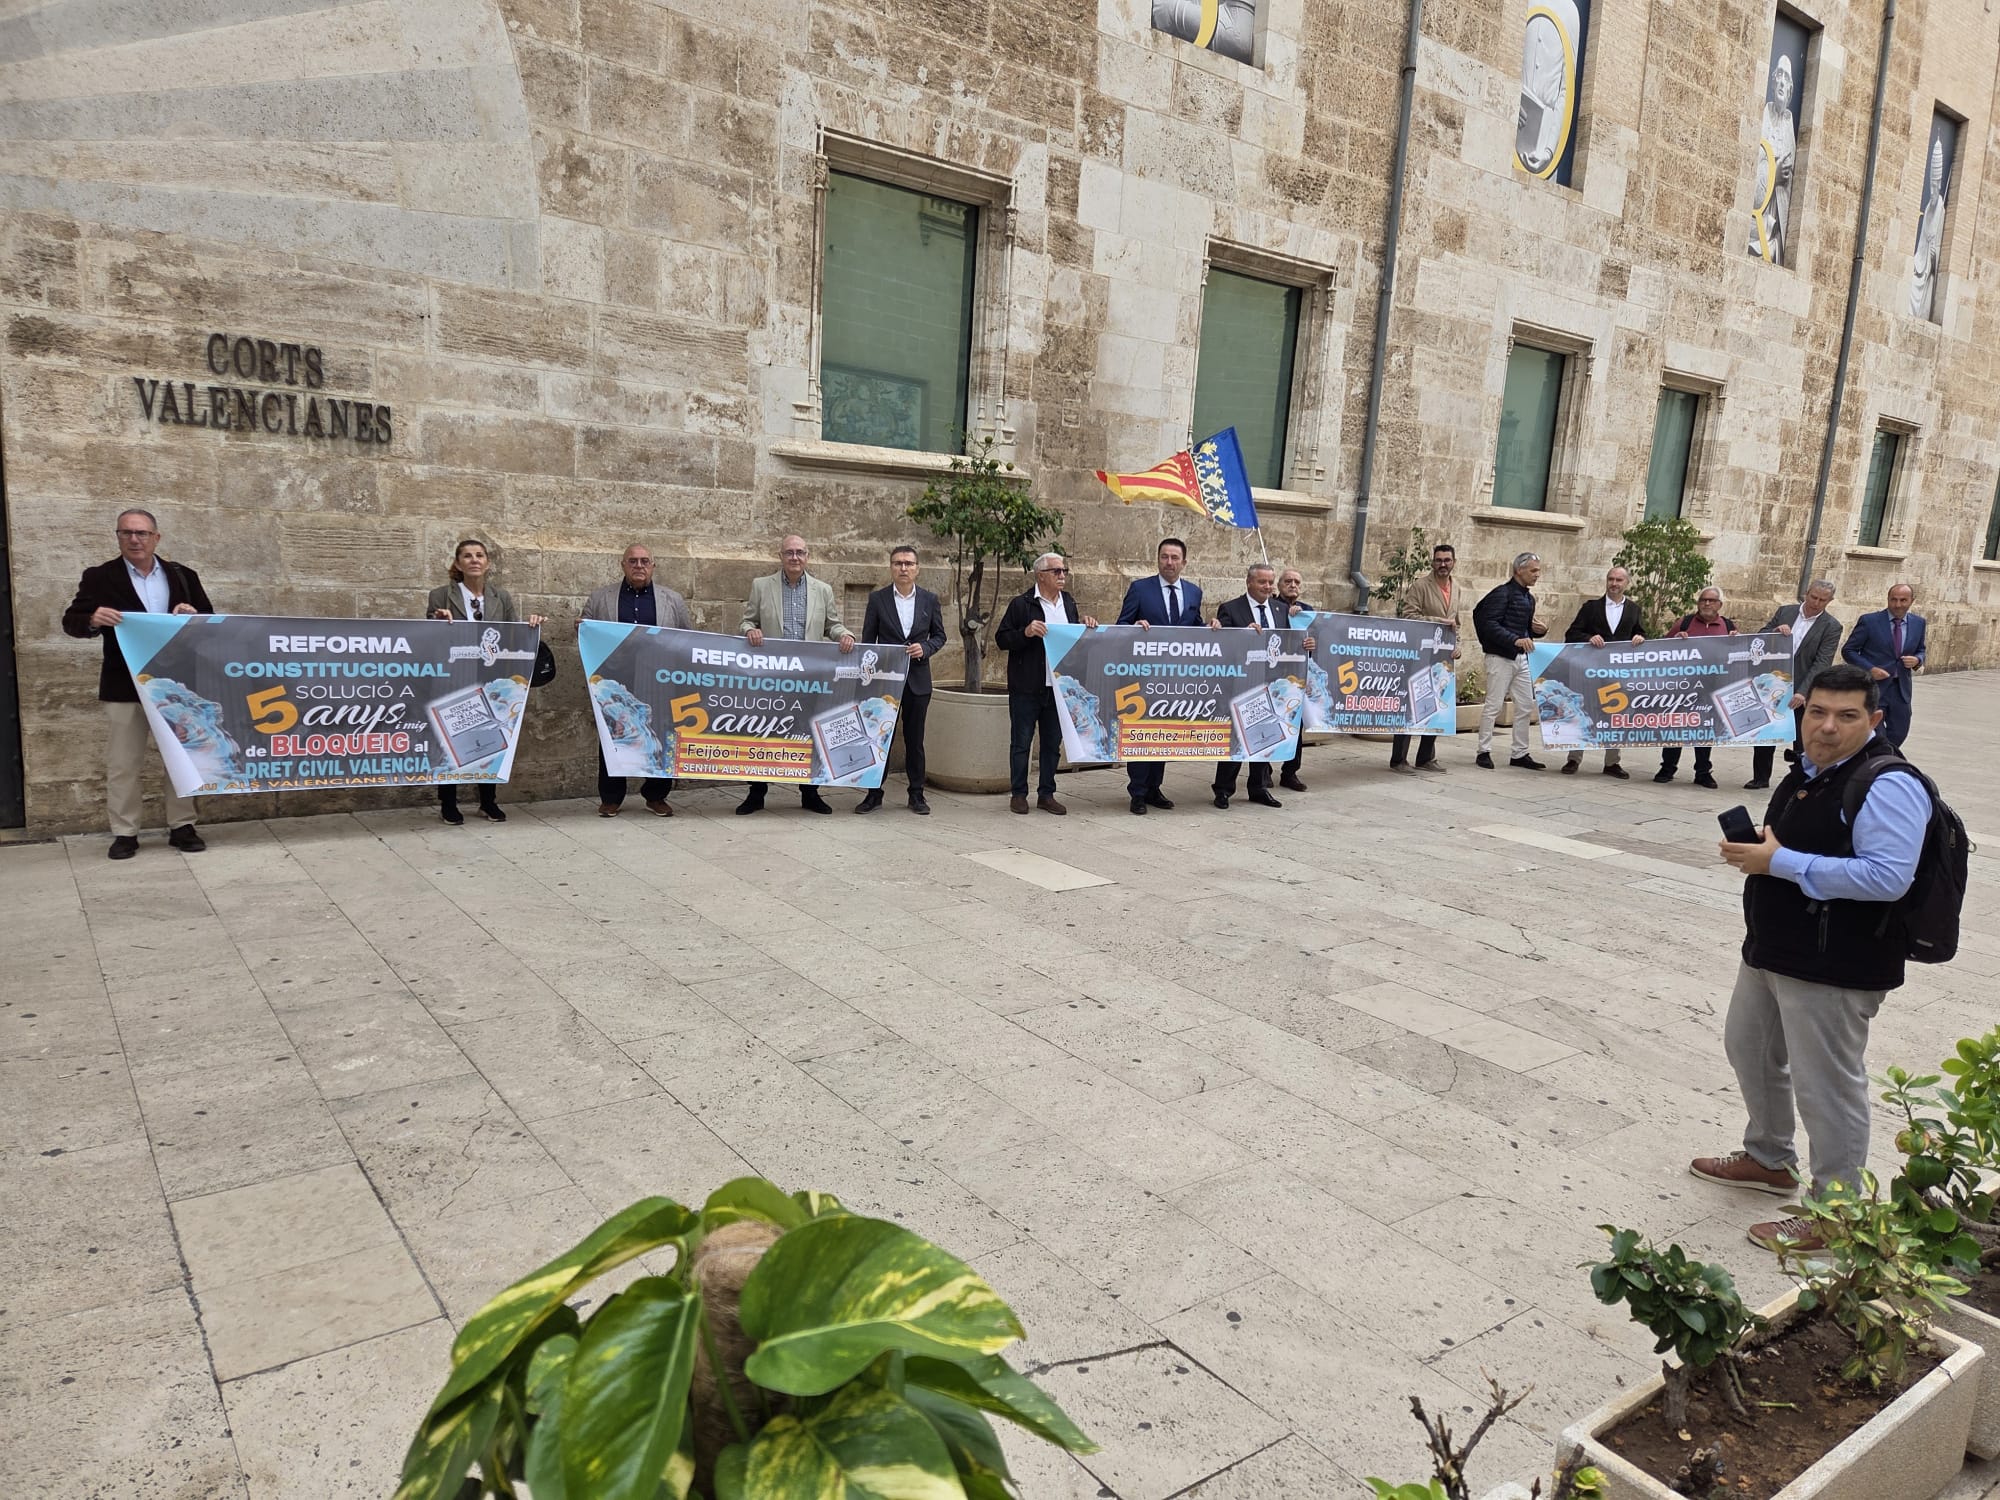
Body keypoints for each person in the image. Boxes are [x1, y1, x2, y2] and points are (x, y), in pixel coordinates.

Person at [1694, 665, 1931, 1252]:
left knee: (1826, 1085)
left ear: (1874, 720)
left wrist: (1779, 864)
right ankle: (1769, 1157)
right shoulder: (1812, 772)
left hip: (1836, 963)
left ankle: (1837, 1213)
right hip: (1777, 950)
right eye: (1817, 713)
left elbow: (1889, 877)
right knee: (1748, 1047)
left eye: (1846, 716)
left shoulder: (1887, 783)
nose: (1827, 727)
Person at [61, 508, 215, 859]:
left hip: (176, 685)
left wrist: (193, 616)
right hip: (123, 685)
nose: (135, 539)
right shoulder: (100, 577)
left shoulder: (184, 576)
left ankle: (182, 825)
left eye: (142, 533)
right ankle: (125, 832)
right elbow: (71, 621)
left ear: (156, 537)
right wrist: (93, 619)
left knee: (181, 757)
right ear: (117, 537)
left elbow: (209, 621)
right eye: (127, 533)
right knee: (123, 763)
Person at [427, 538, 546, 825]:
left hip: (491, 677)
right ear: (458, 564)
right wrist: (436, 618)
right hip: (455, 677)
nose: (474, 560)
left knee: (491, 736)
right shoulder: (441, 595)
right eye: (467, 556)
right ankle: (448, 802)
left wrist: (530, 625)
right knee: (451, 737)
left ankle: (487, 800)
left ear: (487, 563)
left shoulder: (500, 597)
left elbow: (511, 633)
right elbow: (428, 630)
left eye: (479, 555)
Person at [737, 534, 855, 816]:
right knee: (764, 732)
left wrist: (845, 635)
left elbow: (832, 625)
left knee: (807, 732)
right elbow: (747, 620)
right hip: (771, 675)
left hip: (808, 676)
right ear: (780, 556)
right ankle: (757, 792)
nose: (795, 557)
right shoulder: (762, 586)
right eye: (789, 552)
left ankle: (809, 792)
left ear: (807, 556)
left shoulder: (822, 590)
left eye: (800, 552)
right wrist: (749, 630)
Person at [581, 544, 691, 817]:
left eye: (644, 561)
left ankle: (656, 795)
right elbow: (587, 630)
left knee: (662, 732)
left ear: (653, 565)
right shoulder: (600, 598)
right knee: (611, 733)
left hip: (658, 677)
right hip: (614, 678)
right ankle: (611, 797)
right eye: (632, 561)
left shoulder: (672, 600)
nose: (638, 565)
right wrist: (581, 627)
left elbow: (687, 638)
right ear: (623, 565)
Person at [996, 553, 1095, 815]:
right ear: (1041, 575)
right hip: (1027, 685)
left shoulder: (1068, 603)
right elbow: (1002, 639)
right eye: (1057, 571)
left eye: (1064, 571)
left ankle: (1046, 794)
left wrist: (1085, 625)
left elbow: (1073, 639)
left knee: (1052, 743)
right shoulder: (1021, 604)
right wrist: (1026, 633)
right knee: (1021, 742)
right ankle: (1018, 794)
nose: (1062, 575)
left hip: (1059, 687)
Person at [1115, 537, 1203, 814]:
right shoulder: (1140, 589)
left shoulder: (1193, 593)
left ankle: (1155, 788)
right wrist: (1135, 626)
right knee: (1143, 732)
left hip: (1176, 679)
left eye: (1175, 558)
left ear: (1184, 562)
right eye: (1164, 557)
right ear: (1158, 559)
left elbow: (1194, 627)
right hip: (1144, 676)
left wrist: (1213, 627)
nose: (1169, 562)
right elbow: (1121, 625)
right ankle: (1137, 792)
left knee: (1164, 734)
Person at [859, 545, 948, 815]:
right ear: (891, 568)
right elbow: (867, 641)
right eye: (898, 563)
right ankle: (874, 794)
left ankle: (916, 794)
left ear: (917, 569)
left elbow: (939, 636)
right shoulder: (878, 599)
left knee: (914, 739)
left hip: (918, 681)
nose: (903, 568)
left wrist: (926, 648)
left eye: (908, 563)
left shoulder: (929, 600)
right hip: (885, 681)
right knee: (879, 738)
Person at [1746, 580, 1839, 790]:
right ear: (1806, 594)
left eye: (1822, 600)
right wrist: (1775, 631)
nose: (1816, 603)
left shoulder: (1832, 626)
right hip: (1774, 682)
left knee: (1803, 737)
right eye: (1813, 597)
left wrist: (1803, 692)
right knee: (1766, 732)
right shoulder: (1785, 612)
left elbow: (1822, 662)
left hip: (1803, 688)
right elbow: (1760, 637)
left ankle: (1802, 780)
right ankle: (1760, 778)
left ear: (1829, 601)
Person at [1210, 564, 1289, 811]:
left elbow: (1288, 642)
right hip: (1240, 685)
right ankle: (1223, 790)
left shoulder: (1281, 609)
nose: (1267, 587)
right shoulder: (1231, 608)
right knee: (1236, 739)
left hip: (1271, 684)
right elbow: (1221, 645)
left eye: (1270, 582)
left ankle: (1259, 787)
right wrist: (1241, 635)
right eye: (1262, 582)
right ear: (1249, 583)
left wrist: (1305, 644)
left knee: (1266, 737)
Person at [1559, 565, 1646, 778]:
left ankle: (1612, 761)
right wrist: (1588, 637)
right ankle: (1574, 758)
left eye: (1619, 580)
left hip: (1618, 672)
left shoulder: (1634, 609)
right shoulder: (1591, 607)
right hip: (1591, 670)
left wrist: (1640, 638)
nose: (1614, 584)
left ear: (1626, 583)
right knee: (1584, 710)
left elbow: (1640, 633)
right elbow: (1571, 633)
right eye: (1611, 579)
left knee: (1616, 714)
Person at [1471, 552, 1547, 770]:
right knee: (1493, 705)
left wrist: (1538, 631)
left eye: (1538, 570)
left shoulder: (1528, 598)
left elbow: (1523, 628)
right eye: (1533, 570)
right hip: (1500, 657)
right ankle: (1483, 750)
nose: (1537, 575)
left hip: (1521, 658)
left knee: (1525, 706)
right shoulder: (1501, 594)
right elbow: (1488, 624)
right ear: (1518, 570)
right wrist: (1515, 639)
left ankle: (1520, 753)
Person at [1391, 543, 1462, 775]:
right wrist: (1437, 621)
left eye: (1447, 560)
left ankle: (1425, 757)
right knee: (1411, 704)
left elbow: (1456, 621)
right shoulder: (1421, 585)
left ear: (1453, 562)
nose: (1443, 564)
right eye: (1439, 560)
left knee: (1436, 705)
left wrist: (1457, 645)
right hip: (1419, 655)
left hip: (1443, 658)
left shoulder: (1457, 587)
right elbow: (1409, 615)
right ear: (1432, 562)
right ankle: (1398, 759)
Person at [1654, 587, 1735, 789]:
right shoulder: (1685, 623)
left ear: (1720, 605)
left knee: (1706, 729)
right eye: (1703, 600)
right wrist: (1675, 640)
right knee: (1675, 725)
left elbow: (1736, 655)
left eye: (1711, 600)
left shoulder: (1727, 626)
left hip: (1711, 687)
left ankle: (1703, 772)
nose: (1707, 604)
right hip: (1682, 686)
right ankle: (1668, 767)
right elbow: (1663, 647)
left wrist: (1737, 641)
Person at [1842, 583, 1925, 748]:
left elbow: (1921, 649)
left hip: (1900, 689)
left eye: (1903, 600)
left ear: (1912, 601)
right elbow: (1849, 650)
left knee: (1899, 732)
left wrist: (1917, 660)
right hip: (1873, 688)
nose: (1898, 604)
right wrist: (1870, 669)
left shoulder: (1919, 623)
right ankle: (1877, 763)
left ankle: (1883, 758)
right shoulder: (1870, 621)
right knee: (1876, 734)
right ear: (1888, 599)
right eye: (1893, 600)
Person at [1747, 52, 1796, 264]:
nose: (1783, 83)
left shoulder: (1789, 124)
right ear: (1773, 79)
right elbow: (1754, 165)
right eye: (1780, 76)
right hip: (1757, 214)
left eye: (1787, 78)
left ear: (1791, 90)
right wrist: (1772, 177)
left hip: (1775, 218)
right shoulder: (1765, 115)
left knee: (1772, 249)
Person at [1276, 568, 1313, 792]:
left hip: (1297, 677)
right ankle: (1264, 772)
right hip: (1273, 674)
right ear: (1279, 585)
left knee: (1295, 726)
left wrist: (1312, 643)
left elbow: (1317, 637)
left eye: (1297, 582)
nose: (1292, 585)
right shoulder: (1271, 608)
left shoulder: (1307, 611)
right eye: (1288, 581)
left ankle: (1290, 772)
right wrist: (1286, 612)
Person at [1911, 138, 1948, 321]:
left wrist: (1934, 255)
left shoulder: (1941, 208)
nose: (1933, 190)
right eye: (1931, 186)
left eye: (1936, 186)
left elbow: (1939, 247)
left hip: (1929, 269)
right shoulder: (1929, 208)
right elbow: (1923, 242)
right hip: (1921, 260)